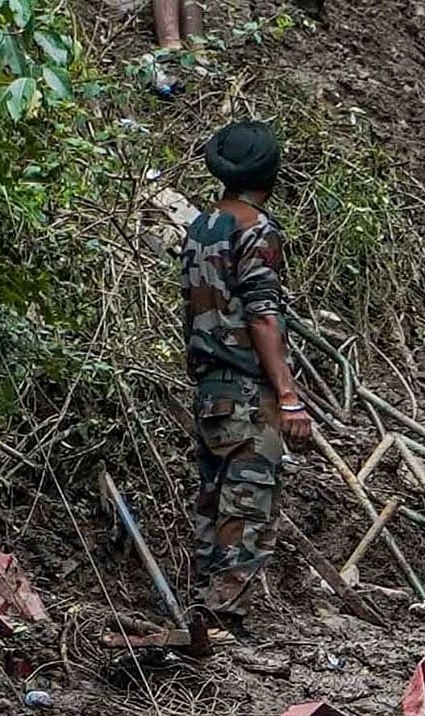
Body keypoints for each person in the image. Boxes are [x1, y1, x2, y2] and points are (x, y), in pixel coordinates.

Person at [180, 120, 315, 653]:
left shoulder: (199, 227)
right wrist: (288, 396)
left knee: (214, 499)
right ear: (270, 172)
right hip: (245, 390)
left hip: (209, 387)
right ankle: (222, 622)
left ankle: (202, 612)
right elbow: (263, 315)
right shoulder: (255, 229)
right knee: (249, 505)